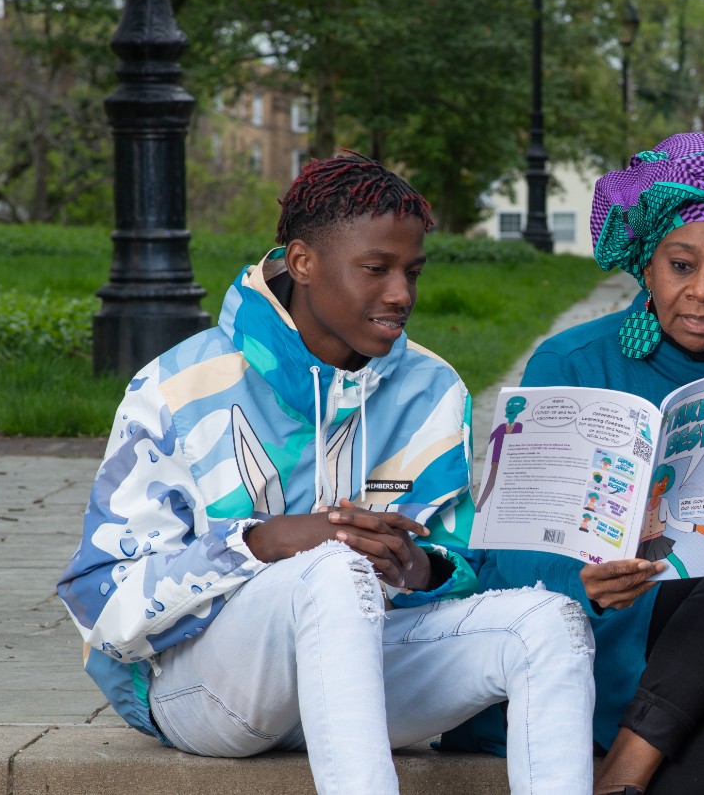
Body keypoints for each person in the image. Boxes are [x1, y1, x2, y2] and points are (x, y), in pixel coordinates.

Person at [57, 152, 596, 795]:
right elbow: (102, 601)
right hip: (203, 691)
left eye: (412, 271)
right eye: (377, 269)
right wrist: (267, 541)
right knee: (332, 566)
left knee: (547, 622)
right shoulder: (178, 388)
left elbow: (459, 567)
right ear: (304, 261)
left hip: (364, 676)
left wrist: (415, 565)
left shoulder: (431, 389)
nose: (401, 294)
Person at [468, 133, 704, 795]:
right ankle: (631, 757)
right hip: (582, 634)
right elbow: (505, 544)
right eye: (681, 265)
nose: (703, 292)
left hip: (690, 645)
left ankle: (625, 774)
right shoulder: (569, 363)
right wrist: (586, 581)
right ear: (648, 265)